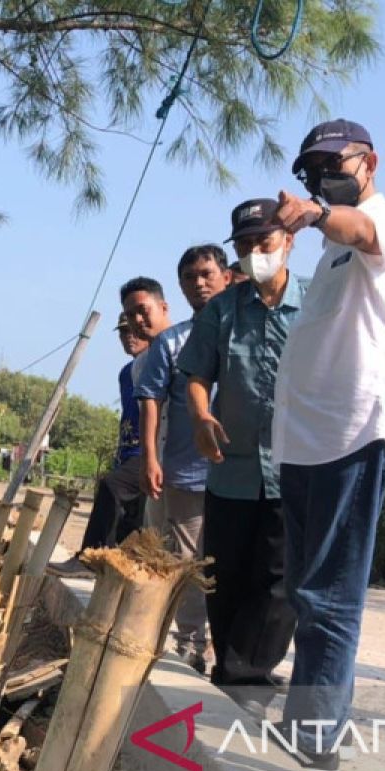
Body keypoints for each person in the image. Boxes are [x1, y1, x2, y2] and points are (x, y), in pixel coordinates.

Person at [269, 119, 385, 771]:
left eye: (332, 164)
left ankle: (319, 734)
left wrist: (313, 213)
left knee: (331, 595)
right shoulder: (329, 252)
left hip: (353, 436)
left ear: (367, 165)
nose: (320, 176)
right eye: (310, 170)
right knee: (306, 591)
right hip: (304, 445)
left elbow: (358, 231)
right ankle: (304, 719)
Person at [177, 198, 306, 717]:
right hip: (231, 469)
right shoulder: (221, 312)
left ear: (289, 241)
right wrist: (202, 417)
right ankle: (235, 666)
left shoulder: (316, 303)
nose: (256, 253)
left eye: (265, 242)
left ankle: (245, 675)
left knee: (279, 580)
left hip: (295, 466)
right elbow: (196, 376)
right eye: (246, 245)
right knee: (225, 574)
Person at [134, 252, 231, 674]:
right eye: (189, 277)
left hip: (241, 474)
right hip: (186, 473)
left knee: (232, 563)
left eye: (207, 274)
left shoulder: (243, 332)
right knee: (189, 564)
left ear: (226, 277)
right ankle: (190, 642)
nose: (199, 283)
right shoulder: (172, 343)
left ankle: (229, 647)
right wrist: (151, 456)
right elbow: (150, 401)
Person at [49, 312, 150, 577]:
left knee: (113, 486)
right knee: (131, 513)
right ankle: (115, 565)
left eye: (134, 331)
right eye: (123, 332)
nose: (129, 337)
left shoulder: (157, 364)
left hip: (150, 450)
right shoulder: (126, 374)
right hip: (129, 451)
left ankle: (90, 559)